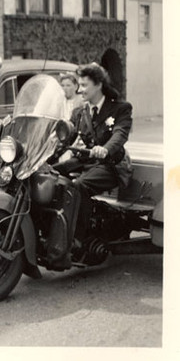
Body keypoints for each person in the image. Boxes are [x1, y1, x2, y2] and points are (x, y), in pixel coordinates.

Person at [52, 62, 133, 267]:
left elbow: (119, 135)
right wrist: (45, 155)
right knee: (48, 173)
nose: (80, 89)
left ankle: (76, 240)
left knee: (78, 186)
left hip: (111, 165)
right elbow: (63, 140)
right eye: (78, 84)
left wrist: (105, 149)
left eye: (84, 85)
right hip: (86, 162)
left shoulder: (120, 108)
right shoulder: (80, 113)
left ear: (98, 84)